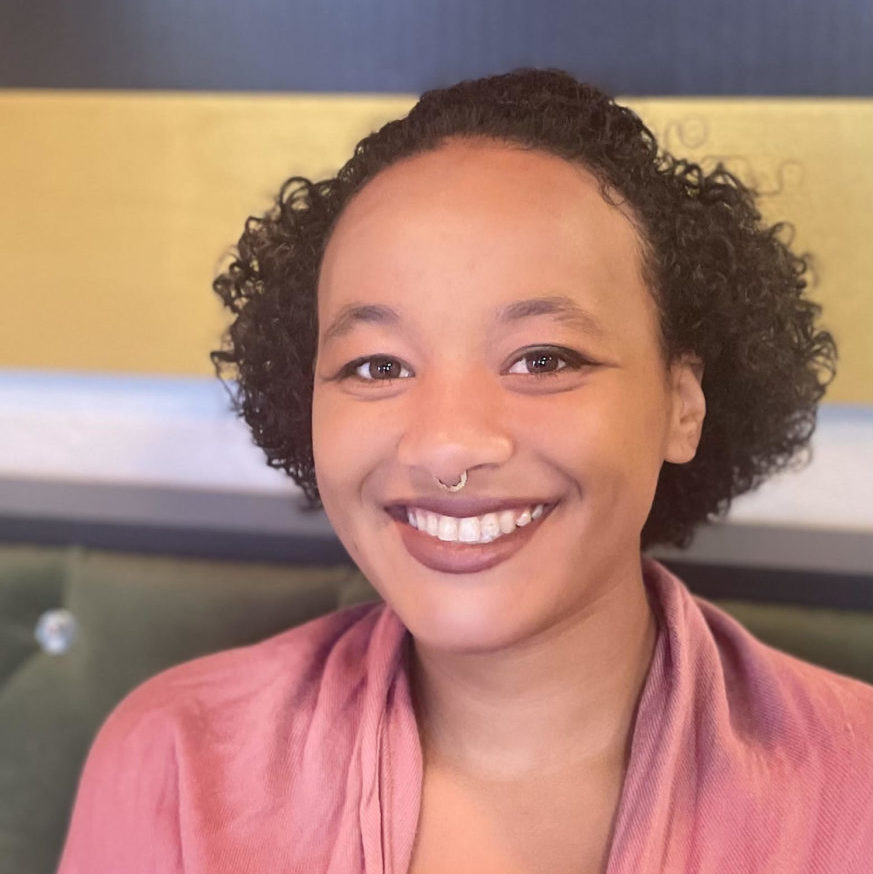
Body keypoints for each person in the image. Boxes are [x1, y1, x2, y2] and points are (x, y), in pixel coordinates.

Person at [57, 69, 872, 874]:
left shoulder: (854, 788)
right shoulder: (176, 761)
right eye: (376, 367)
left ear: (680, 405)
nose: (445, 446)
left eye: (543, 358)